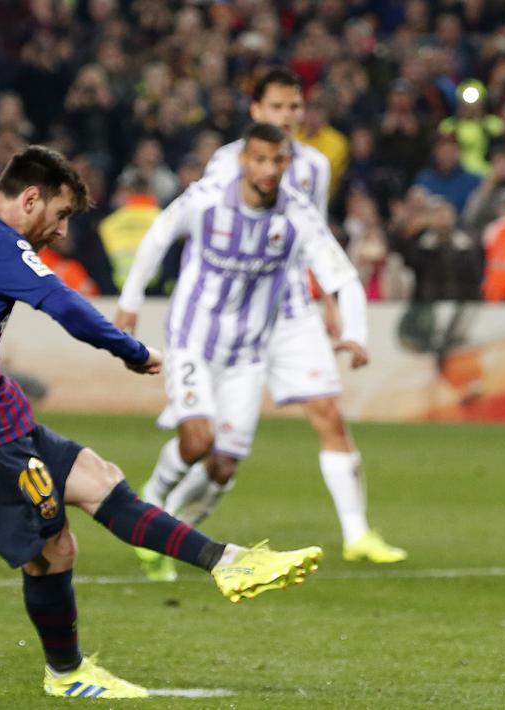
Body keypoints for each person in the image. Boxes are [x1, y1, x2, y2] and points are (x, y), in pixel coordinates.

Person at [0, 145, 322, 699]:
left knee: (97, 477)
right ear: (28, 199)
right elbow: (64, 304)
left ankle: (226, 561)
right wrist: (132, 351)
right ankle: (67, 674)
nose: (62, 232)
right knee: (55, 551)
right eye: (61, 214)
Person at [132, 69, 405, 581]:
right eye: (278, 108)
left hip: (293, 309)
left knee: (327, 411)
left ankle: (356, 533)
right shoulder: (225, 162)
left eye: (295, 108)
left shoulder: (317, 166)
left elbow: (312, 235)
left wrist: (328, 300)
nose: (288, 117)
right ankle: (159, 518)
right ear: (256, 112)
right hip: (235, 314)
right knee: (207, 443)